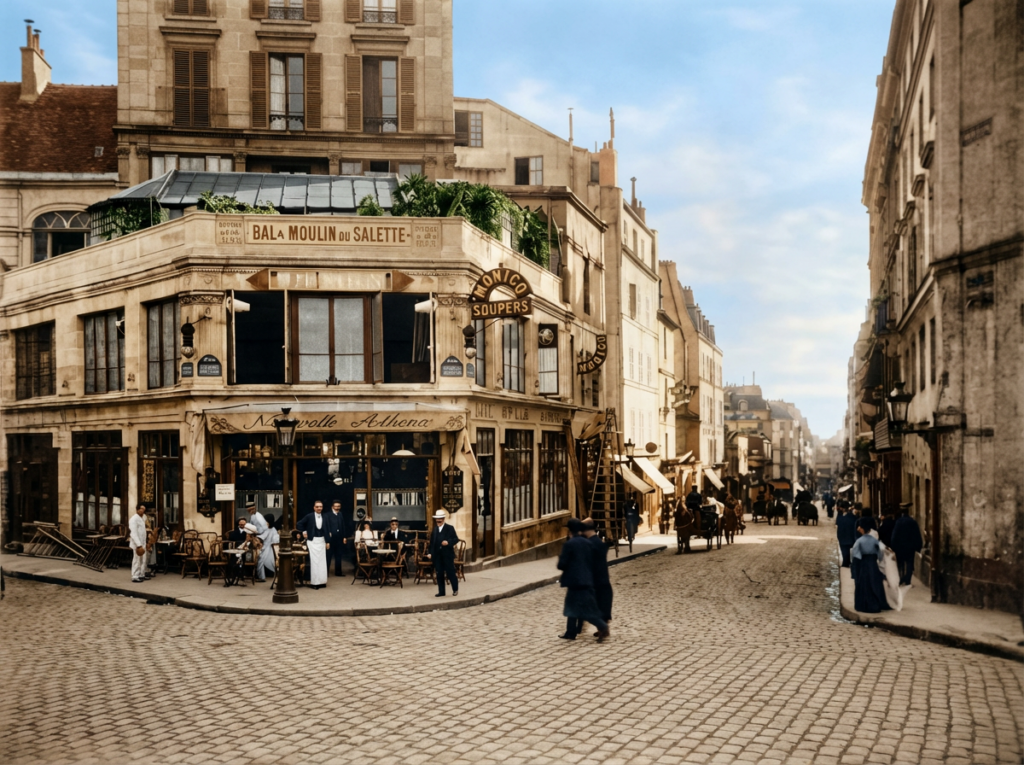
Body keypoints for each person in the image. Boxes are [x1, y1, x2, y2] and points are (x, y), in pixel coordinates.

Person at [557, 519, 609, 642]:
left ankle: (602, 626)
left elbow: (561, 564)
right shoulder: (588, 543)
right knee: (573, 606)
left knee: (582, 609)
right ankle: (570, 632)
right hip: (587, 580)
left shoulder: (570, 544)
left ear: (570, 530)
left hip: (574, 581)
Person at [850, 519, 891, 613]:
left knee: (864, 584)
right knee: (874, 584)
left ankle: (864, 605)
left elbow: (855, 555)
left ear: (863, 528)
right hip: (873, 564)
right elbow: (880, 555)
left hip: (863, 564)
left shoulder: (859, 541)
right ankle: (875, 604)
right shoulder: (875, 541)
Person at [581, 518, 613, 628]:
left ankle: (602, 628)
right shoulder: (598, 542)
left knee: (597, 605)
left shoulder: (591, 543)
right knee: (601, 604)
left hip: (597, 580)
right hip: (601, 579)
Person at [296, 500, 330, 589]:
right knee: (315, 562)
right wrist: (304, 531)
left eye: (321, 507)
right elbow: (299, 524)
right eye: (317, 507)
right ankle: (315, 583)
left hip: (322, 541)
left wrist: (328, 541)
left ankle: (322, 581)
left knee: (322, 562)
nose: (319, 508)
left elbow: (327, 529)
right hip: (312, 541)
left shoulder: (325, 516)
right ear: (314, 507)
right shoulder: (309, 516)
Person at [890, 503, 923, 585]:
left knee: (900, 563)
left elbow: (895, 534)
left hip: (900, 546)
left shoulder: (899, 522)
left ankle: (900, 578)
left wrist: (893, 546)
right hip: (910, 546)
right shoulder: (913, 522)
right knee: (909, 563)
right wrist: (918, 546)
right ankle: (908, 580)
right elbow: (917, 534)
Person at [428, 510, 459, 597]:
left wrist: (448, 542)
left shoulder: (450, 528)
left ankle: (455, 589)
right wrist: (430, 553)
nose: (438, 521)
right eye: (437, 519)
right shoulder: (435, 530)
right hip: (438, 556)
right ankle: (441, 592)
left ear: (443, 519)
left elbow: (456, 539)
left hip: (447, 555)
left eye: (440, 519)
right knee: (439, 573)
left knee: (450, 572)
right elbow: (432, 543)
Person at [325, 500, 347, 577]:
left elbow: (343, 525)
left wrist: (344, 536)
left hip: (339, 538)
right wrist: (328, 535)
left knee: (339, 555)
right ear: (332, 507)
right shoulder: (327, 515)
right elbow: (326, 526)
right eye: (336, 506)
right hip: (331, 538)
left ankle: (338, 572)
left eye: (339, 506)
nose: (337, 508)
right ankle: (325, 573)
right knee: (328, 556)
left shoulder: (340, 514)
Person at [128, 503, 148, 583]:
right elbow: (133, 533)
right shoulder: (133, 519)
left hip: (143, 542)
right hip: (137, 543)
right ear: (137, 509)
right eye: (141, 509)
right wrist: (138, 544)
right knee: (136, 559)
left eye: (144, 509)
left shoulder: (142, 518)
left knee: (143, 559)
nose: (143, 511)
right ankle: (135, 576)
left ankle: (141, 574)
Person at [836, 501, 858, 567]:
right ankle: (847, 562)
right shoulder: (853, 516)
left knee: (844, 549)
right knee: (848, 549)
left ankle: (846, 562)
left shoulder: (840, 516)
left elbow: (837, 524)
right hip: (850, 535)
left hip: (843, 535)